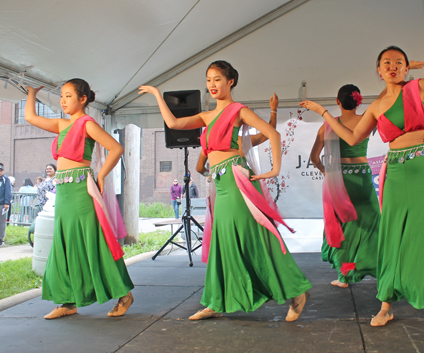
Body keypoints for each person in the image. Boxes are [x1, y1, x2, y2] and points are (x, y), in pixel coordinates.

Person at [300, 46, 424, 326]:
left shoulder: (419, 87)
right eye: (386, 63)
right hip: (394, 174)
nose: (392, 67)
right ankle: (386, 305)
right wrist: (323, 112)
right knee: (394, 238)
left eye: (399, 63)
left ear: (406, 68)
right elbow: (354, 137)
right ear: (378, 71)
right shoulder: (378, 105)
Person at [139, 60, 312, 321]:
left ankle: (296, 290)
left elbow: (271, 134)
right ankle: (216, 301)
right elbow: (173, 123)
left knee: (253, 236)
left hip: (236, 178)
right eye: (208, 80)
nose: (212, 85)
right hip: (219, 183)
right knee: (223, 241)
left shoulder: (238, 110)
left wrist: (275, 168)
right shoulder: (207, 117)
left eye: (217, 79)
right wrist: (156, 94)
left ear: (231, 81)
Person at [25, 79, 134, 319]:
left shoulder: (87, 124)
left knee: (94, 241)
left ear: (82, 99)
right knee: (64, 244)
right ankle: (67, 301)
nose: (63, 100)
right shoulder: (62, 124)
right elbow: (31, 118)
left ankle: (124, 294)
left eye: (67, 96)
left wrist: (103, 175)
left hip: (81, 190)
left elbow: (116, 148)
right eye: (61, 97)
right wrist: (32, 93)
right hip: (63, 191)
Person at [309, 85, 379, 288]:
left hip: (338, 180)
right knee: (370, 222)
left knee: (341, 225)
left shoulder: (326, 127)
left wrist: (327, 173)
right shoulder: (367, 122)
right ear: (359, 101)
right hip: (362, 177)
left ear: (337, 101)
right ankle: (378, 266)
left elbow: (314, 157)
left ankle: (344, 276)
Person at [195, 93, 279, 176]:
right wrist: (273, 110)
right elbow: (269, 132)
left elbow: (199, 168)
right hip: (244, 183)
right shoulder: (242, 141)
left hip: (224, 184)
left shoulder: (209, 143)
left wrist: (212, 177)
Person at [0, 163, 12, 246]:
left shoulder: (5, 179)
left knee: (1, 222)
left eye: (1, 170)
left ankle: (1, 238)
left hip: (1, 204)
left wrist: (6, 203)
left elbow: (8, 191)